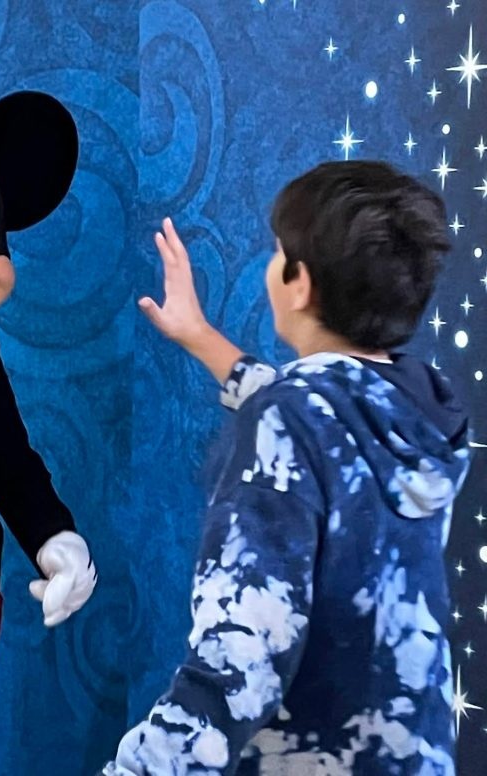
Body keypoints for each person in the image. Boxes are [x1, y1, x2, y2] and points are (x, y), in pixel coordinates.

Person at [104, 161, 470, 774]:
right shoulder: (423, 412)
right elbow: (329, 422)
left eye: (279, 254)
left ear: (299, 284)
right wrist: (199, 335)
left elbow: (238, 663)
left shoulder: (285, 421)